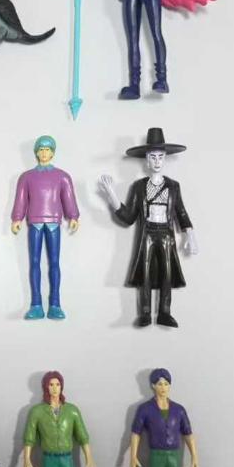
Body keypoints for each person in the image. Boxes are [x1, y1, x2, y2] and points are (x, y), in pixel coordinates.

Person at [99, 127, 198, 327]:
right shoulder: (139, 187)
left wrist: (190, 235)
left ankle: (165, 312)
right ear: (146, 159)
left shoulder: (173, 186)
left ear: (165, 158)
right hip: (148, 235)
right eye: (153, 157)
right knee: (145, 272)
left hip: (167, 235)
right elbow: (128, 218)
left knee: (167, 272)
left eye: (160, 157)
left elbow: (181, 212)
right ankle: (144, 312)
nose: (157, 161)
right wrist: (112, 196)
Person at [11, 136, 79, 320]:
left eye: (47, 149)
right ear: (36, 152)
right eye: (40, 149)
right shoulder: (26, 177)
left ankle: (55, 304)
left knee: (54, 263)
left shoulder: (62, 177)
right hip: (35, 222)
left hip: (54, 223)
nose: (43, 153)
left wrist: (73, 215)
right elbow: (21, 200)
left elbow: (68, 198)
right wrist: (17, 217)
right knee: (34, 262)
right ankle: (36, 304)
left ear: (53, 152)